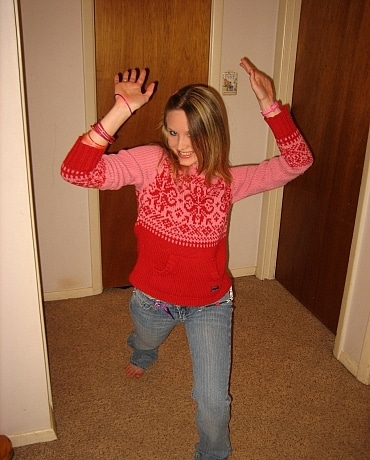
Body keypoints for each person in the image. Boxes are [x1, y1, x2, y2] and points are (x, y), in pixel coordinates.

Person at [61, 57, 313, 460]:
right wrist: (121, 109)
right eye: (174, 132)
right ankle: (143, 353)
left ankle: (213, 455)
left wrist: (272, 108)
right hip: (152, 299)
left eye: (192, 134)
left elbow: (298, 163)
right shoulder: (150, 163)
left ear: (213, 134)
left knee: (213, 399)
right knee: (145, 339)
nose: (181, 145)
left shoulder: (229, 181)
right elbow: (76, 172)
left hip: (210, 304)